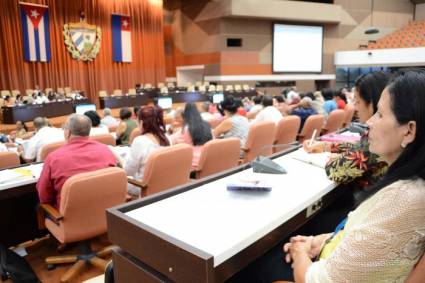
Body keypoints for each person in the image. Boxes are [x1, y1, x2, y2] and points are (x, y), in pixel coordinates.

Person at [280, 69, 425, 282]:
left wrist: (301, 252)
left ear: (410, 131)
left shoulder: (402, 200)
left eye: (381, 114)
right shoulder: (408, 186)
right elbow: (361, 239)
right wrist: (318, 241)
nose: (369, 122)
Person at [306, 71, 390, 189]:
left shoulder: (380, 139)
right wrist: (326, 146)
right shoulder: (387, 130)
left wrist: (338, 158)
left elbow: (335, 170)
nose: (354, 107)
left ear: (372, 103)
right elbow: (360, 146)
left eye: (357, 101)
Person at [36, 114, 117, 209]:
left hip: (67, 219)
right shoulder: (106, 150)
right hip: (105, 211)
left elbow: (44, 197)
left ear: (68, 132)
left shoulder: (53, 158)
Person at [125, 106, 170, 195]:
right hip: (164, 185)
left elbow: (128, 171)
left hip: (143, 187)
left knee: (113, 183)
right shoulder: (167, 138)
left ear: (141, 122)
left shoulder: (140, 141)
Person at [171, 103, 213, 167]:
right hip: (207, 159)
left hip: (192, 163)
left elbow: (176, 142)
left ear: (185, 115)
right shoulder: (207, 124)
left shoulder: (186, 129)